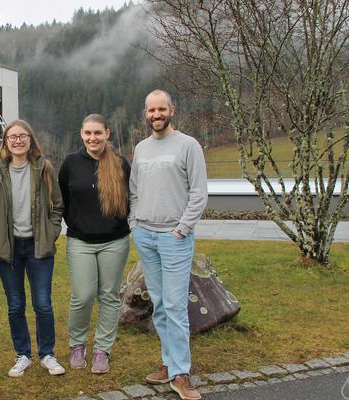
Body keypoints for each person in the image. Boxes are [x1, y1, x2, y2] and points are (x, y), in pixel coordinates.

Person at [129, 90, 208, 400]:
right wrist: (135, 224)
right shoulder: (141, 148)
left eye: (162, 109)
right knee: (160, 304)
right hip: (146, 236)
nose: (156, 114)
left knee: (175, 306)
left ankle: (180, 373)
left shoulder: (189, 146)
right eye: (151, 109)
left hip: (174, 238)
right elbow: (134, 190)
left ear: (171, 111)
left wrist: (182, 228)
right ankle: (168, 363)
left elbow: (199, 193)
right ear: (146, 113)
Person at [0, 120, 65, 378]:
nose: (18, 140)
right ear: (6, 141)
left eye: (23, 136)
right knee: (15, 304)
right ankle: (23, 355)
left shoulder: (44, 168)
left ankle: (47, 354)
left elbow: (58, 205)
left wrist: (50, 234)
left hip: (38, 246)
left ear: (30, 140)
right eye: (12, 136)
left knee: (43, 304)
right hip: (8, 248)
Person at [58, 114, 131, 374]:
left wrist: (112, 224)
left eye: (98, 133)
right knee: (83, 295)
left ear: (107, 133)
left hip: (114, 241)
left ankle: (102, 350)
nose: (93, 138)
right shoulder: (70, 163)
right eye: (88, 133)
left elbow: (128, 201)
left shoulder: (120, 163)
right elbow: (63, 200)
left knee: (109, 297)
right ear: (81, 134)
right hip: (80, 242)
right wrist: (76, 224)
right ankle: (77, 345)